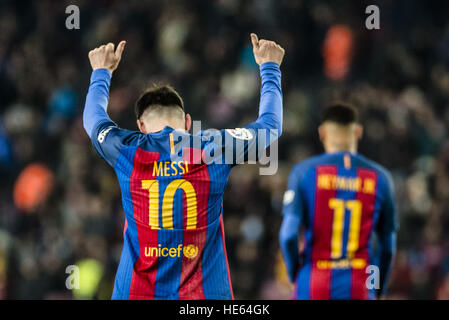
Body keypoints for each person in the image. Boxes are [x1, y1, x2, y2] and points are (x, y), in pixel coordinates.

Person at [83, 34, 284, 299]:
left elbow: (93, 119)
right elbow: (270, 126)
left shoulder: (125, 149)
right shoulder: (214, 148)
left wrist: (101, 73)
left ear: (140, 126)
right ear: (188, 122)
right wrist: (270, 68)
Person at [279, 103, 398, 300]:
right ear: (358, 131)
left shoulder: (304, 172)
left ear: (322, 132)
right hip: (360, 282)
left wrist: (295, 275)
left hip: (313, 279)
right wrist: (378, 289)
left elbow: (288, 235)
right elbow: (388, 247)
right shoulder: (380, 177)